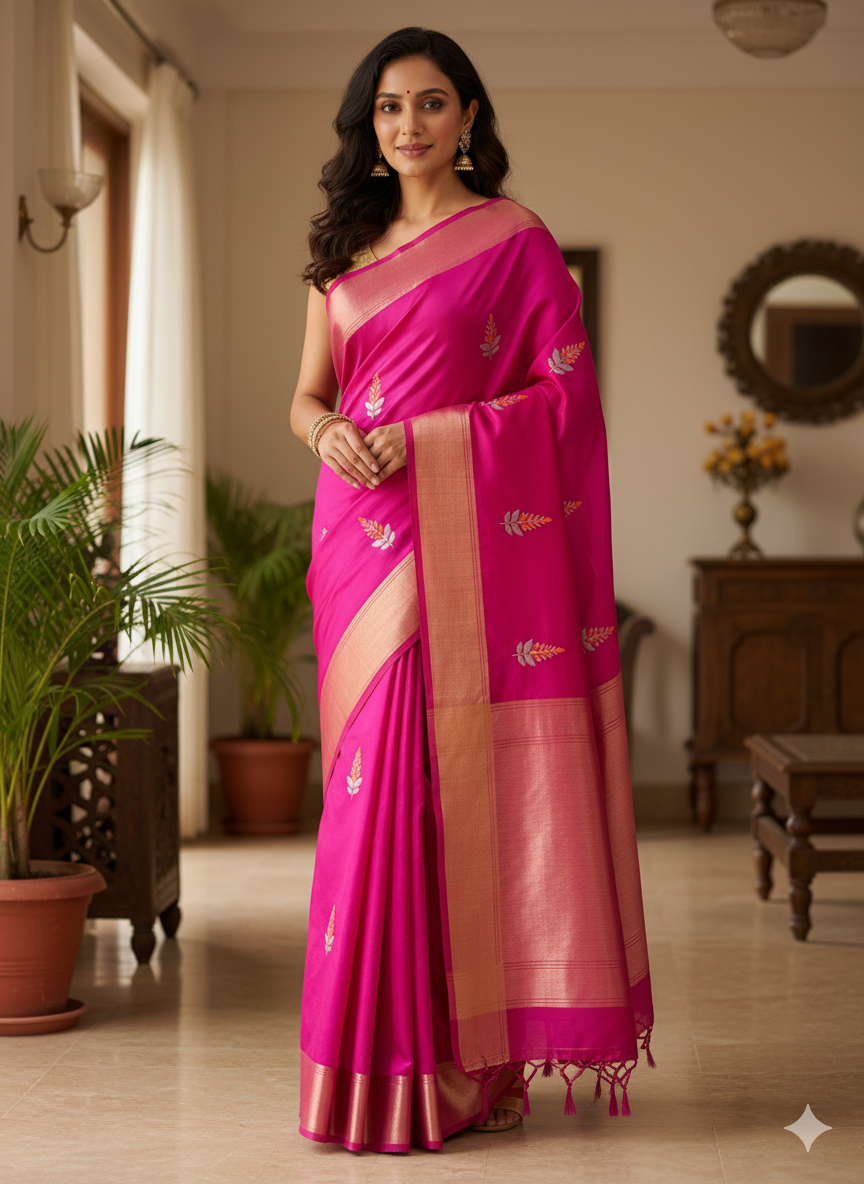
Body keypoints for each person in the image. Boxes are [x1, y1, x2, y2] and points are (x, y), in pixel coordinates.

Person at [290, 26, 654, 1154]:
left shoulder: (513, 240)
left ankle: (457, 1067)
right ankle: (362, 1068)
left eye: (430, 103)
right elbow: (306, 397)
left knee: (444, 792)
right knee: (367, 801)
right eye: (388, 107)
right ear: (369, 126)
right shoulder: (342, 256)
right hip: (359, 541)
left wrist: (428, 440)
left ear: (468, 118)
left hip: (459, 540)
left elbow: (564, 396)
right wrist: (328, 435)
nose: (408, 125)